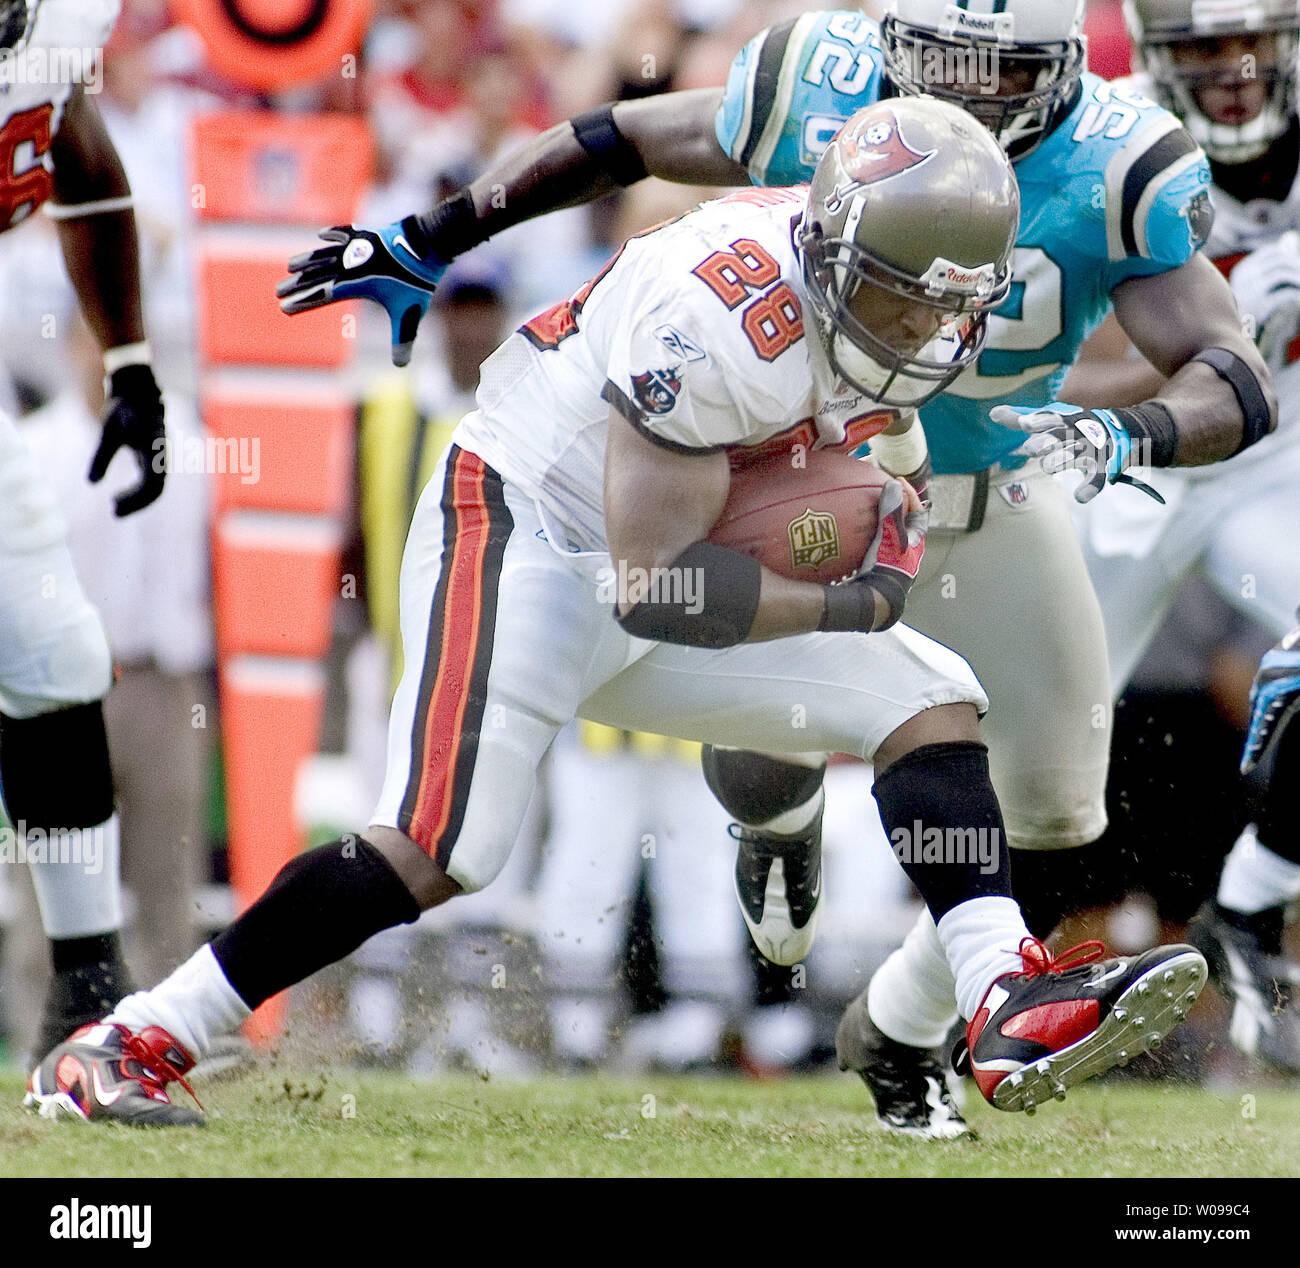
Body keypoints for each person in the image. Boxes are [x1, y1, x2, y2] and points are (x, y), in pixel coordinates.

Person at [28, 99, 1207, 1126]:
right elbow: (659, 585)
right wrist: (847, 595)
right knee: (441, 846)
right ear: (839, 256)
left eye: (945, 308)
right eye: (900, 304)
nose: (922, 333)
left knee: (934, 697)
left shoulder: (879, 281)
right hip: (528, 533)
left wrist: (876, 511)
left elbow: (847, 464)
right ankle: (130, 1037)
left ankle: (1002, 996)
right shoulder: (716, 325)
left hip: (656, 556)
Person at [273, 0, 1273, 1137]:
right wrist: (436, 233)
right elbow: (626, 136)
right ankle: (776, 816)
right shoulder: (822, 79)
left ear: (1059, 71)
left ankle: (897, 1026)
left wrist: (1123, 431)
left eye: (1003, 73)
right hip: (802, 489)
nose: (968, 99)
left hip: (998, 483)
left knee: (1052, 802)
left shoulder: (1118, 159)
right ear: (894, 53)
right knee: (765, 755)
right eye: (942, 68)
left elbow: (1233, 375)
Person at [1063, 0, 1300, 1072]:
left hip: (1279, 470)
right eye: (1201, 48)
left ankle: (1246, 905)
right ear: (1157, 58)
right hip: (1142, 460)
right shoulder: (1112, 147)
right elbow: (1061, 368)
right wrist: (1221, 324)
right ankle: (935, 993)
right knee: (1041, 742)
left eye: (1250, 43)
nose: (1233, 71)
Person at [0, 0, 167, 1057]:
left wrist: (130, 361)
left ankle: (87, 994)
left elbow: (79, 150)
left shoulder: (62, 16)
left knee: (55, 648)